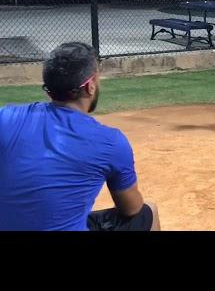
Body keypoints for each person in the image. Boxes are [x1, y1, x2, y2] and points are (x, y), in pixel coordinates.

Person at [0, 42, 160, 231]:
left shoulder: (6, 117)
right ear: (90, 86)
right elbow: (131, 209)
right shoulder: (110, 141)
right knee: (149, 210)